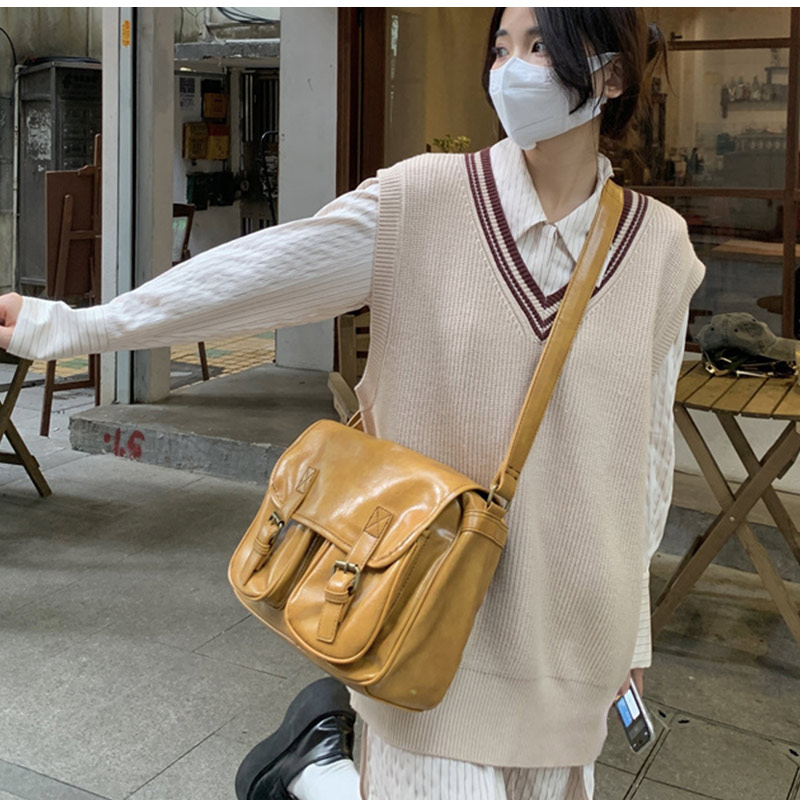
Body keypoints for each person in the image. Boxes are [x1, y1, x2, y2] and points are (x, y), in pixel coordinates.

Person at [0, 7, 705, 800]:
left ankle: (318, 773)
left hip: (573, 653)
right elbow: (260, 273)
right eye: (501, 47)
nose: (512, 69)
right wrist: (82, 326)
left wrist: (632, 635)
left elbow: (643, 461)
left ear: (611, 74)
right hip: (425, 635)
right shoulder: (424, 201)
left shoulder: (661, 249)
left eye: (540, 46)